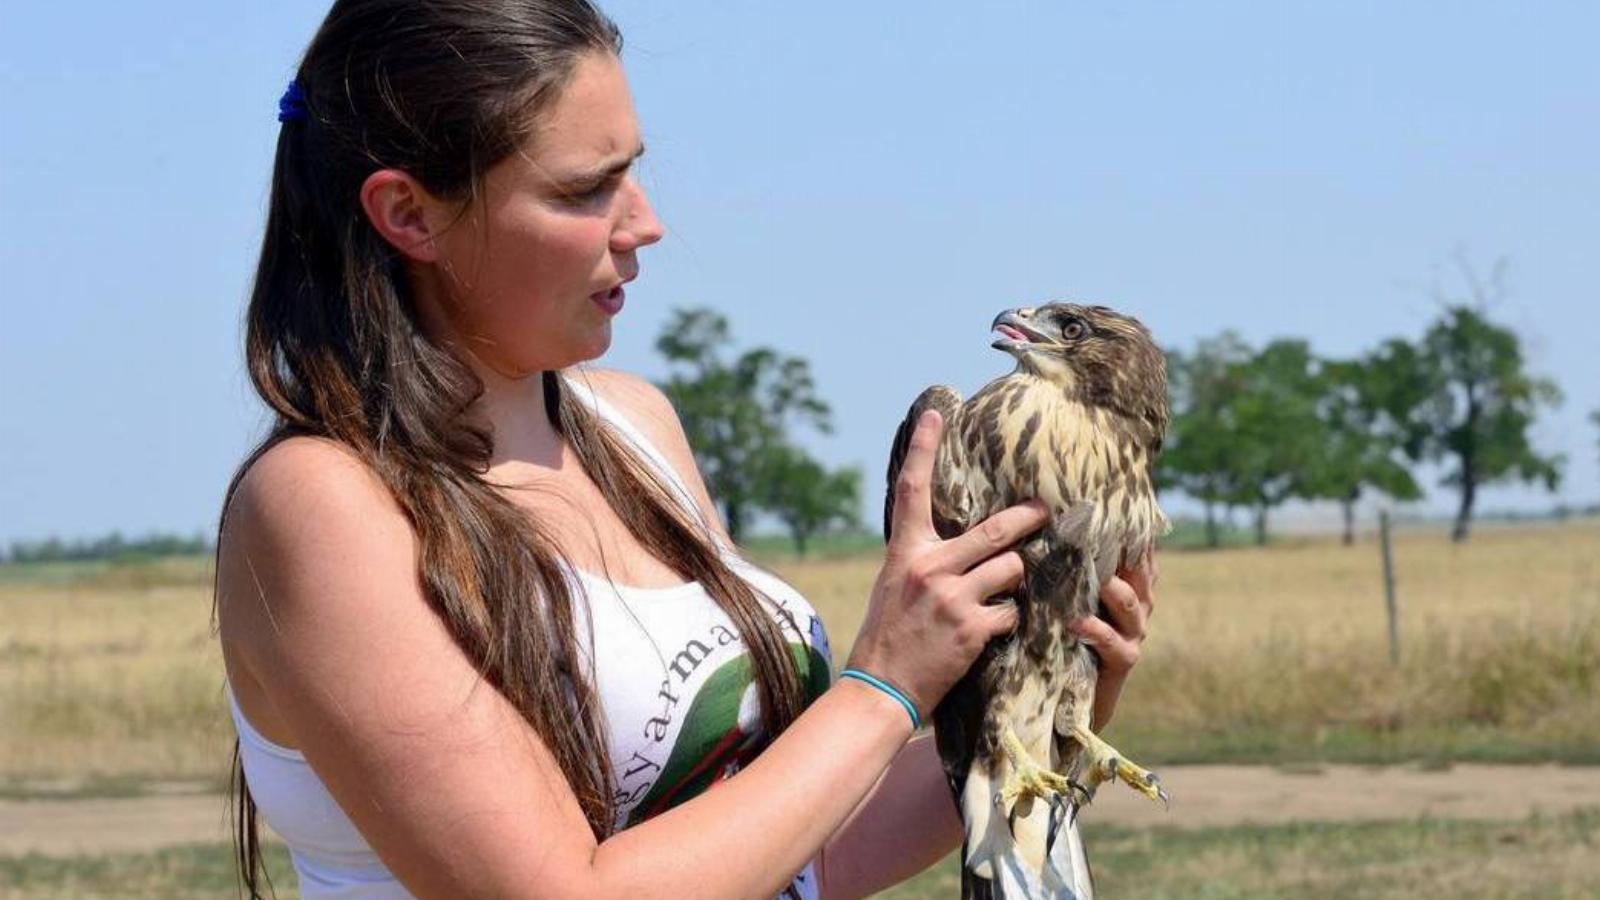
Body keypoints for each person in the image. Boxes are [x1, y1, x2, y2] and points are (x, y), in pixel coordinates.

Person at [213, 2, 1158, 898]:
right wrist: (883, 683)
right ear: (409, 215)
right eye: (586, 189)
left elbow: (801, 858)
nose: (645, 222)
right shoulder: (324, 504)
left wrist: (1047, 706)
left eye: (633, 169)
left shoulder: (634, 428)